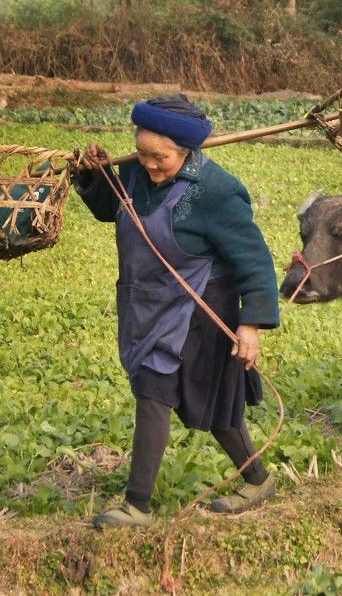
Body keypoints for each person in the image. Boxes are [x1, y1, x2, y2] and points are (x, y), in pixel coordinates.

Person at [74, 94, 280, 528]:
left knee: (164, 391)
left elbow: (254, 259)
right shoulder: (133, 171)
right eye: (143, 153)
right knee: (183, 394)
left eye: (160, 158)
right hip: (146, 303)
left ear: (186, 151)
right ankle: (258, 479)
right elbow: (110, 208)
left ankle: (136, 506)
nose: (150, 165)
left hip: (200, 309)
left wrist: (250, 325)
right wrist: (93, 176)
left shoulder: (217, 191)